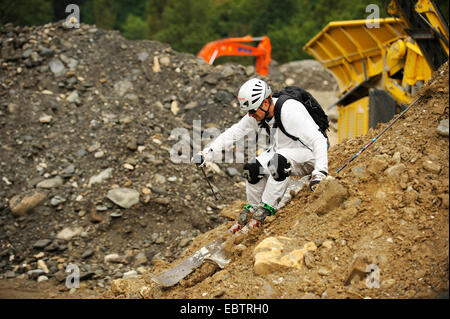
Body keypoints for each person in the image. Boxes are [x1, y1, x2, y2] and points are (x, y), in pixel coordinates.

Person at [192, 78, 328, 233]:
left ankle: (266, 209)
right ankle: (255, 209)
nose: (250, 115)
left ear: (265, 102)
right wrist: (206, 154)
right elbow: (234, 132)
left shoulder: (290, 110)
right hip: (284, 153)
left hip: (309, 155)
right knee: (252, 168)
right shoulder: (259, 113)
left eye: (252, 111)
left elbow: (319, 139)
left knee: (278, 162)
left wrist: (320, 173)